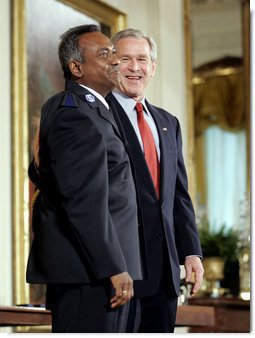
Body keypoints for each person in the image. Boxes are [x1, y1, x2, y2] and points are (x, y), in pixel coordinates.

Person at [26, 24, 142, 333]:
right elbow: (83, 200)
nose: (115, 61)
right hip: (91, 274)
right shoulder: (75, 113)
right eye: (105, 54)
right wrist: (113, 267)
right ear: (76, 67)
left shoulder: (85, 109)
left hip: (97, 271)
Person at [106, 28, 204, 333]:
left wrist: (191, 252)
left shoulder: (167, 122)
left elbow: (178, 195)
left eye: (142, 59)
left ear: (153, 66)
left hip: (164, 276)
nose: (135, 67)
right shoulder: (98, 115)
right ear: (111, 64)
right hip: (119, 273)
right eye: (125, 59)